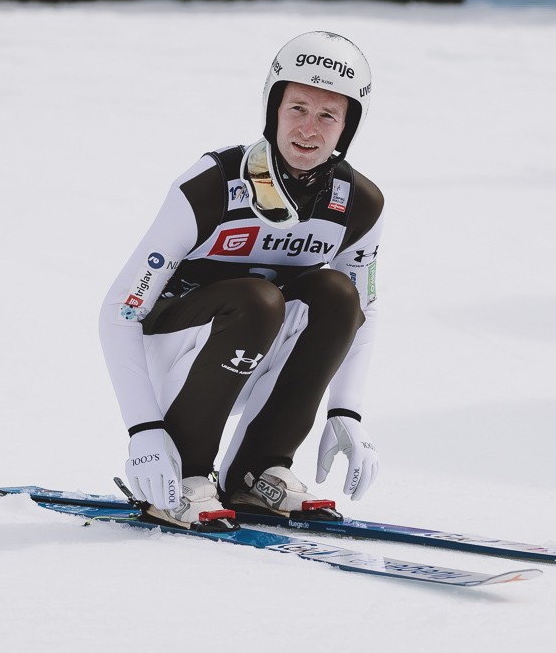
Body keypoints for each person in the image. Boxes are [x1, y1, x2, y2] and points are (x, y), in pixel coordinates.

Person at [98, 31, 383, 531]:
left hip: (256, 351)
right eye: (297, 108)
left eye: (327, 116)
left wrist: (347, 411)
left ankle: (258, 471)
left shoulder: (358, 203)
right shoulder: (212, 184)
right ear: (273, 109)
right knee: (258, 299)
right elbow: (121, 311)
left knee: (339, 295)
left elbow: (367, 308)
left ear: (348, 127)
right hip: (171, 353)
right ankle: (182, 475)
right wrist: (143, 430)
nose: (308, 129)